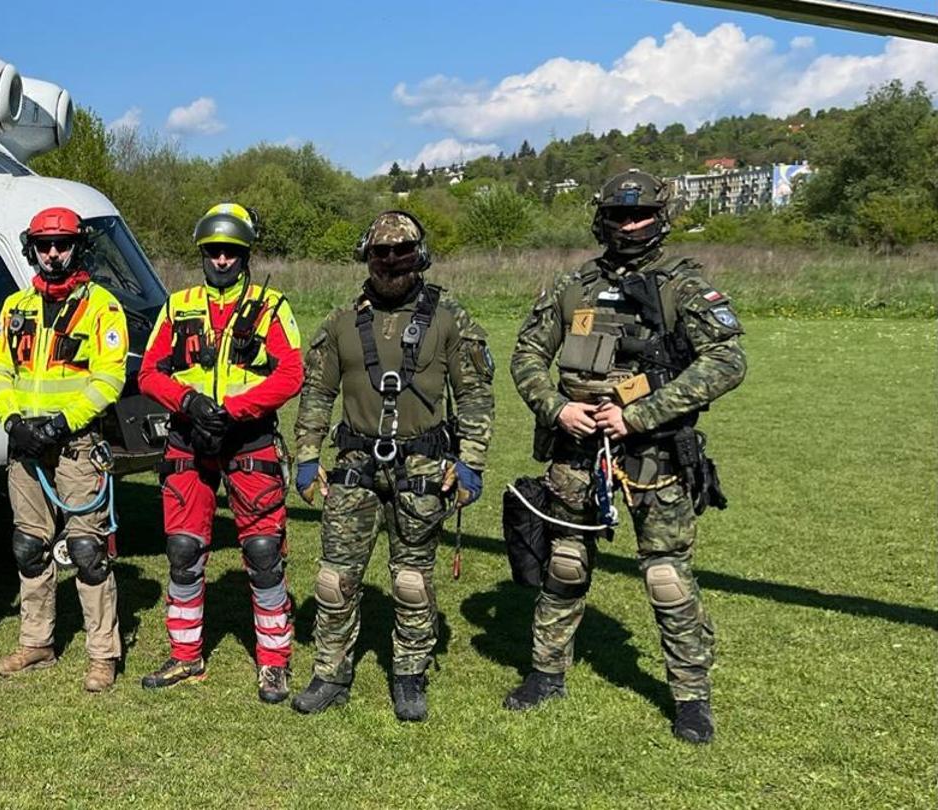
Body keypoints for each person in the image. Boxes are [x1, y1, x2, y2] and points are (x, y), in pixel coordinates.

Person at [502, 169, 744, 744]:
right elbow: (527, 354)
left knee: (666, 577)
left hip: (654, 458)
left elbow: (727, 362)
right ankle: (546, 673)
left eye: (639, 215)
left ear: (661, 217)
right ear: (601, 218)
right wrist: (556, 407)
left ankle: (690, 698)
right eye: (618, 215)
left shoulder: (681, 285)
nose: (629, 225)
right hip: (575, 452)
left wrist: (639, 414)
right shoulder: (573, 284)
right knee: (565, 565)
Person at [289, 211, 494, 722]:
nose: (391, 262)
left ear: (419, 256)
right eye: (381, 253)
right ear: (367, 257)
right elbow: (316, 392)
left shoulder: (451, 319)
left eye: (402, 252)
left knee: (411, 581)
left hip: (423, 468)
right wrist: (308, 456)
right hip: (355, 467)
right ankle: (331, 673)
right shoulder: (340, 322)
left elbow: (473, 396)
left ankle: (409, 673)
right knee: (335, 581)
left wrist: (470, 461)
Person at [135, 204, 306, 703]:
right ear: (203, 254)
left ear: (245, 254)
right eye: (214, 251)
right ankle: (186, 655)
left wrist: (234, 409)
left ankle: (274, 663)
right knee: (183, 551)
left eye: (232, 251)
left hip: (248, 440)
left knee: (263, 553)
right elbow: (148, 373)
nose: (223, 260)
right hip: (188, 440)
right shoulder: (177, 305)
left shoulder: (272, 306)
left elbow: (290, 373)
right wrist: (186, 400)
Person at [0, 207, 128, 693]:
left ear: (77, 247)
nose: (53, 254)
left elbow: (110, 376)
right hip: (26, 446)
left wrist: (63, 422)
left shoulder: (102, 307)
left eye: (62, 244)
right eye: (45, 245)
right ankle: (37, 642)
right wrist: (11, 420)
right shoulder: (15, 307)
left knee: (87, 550)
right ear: (32, 249)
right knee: (29, 545)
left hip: (77, 447)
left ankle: (103, 652)